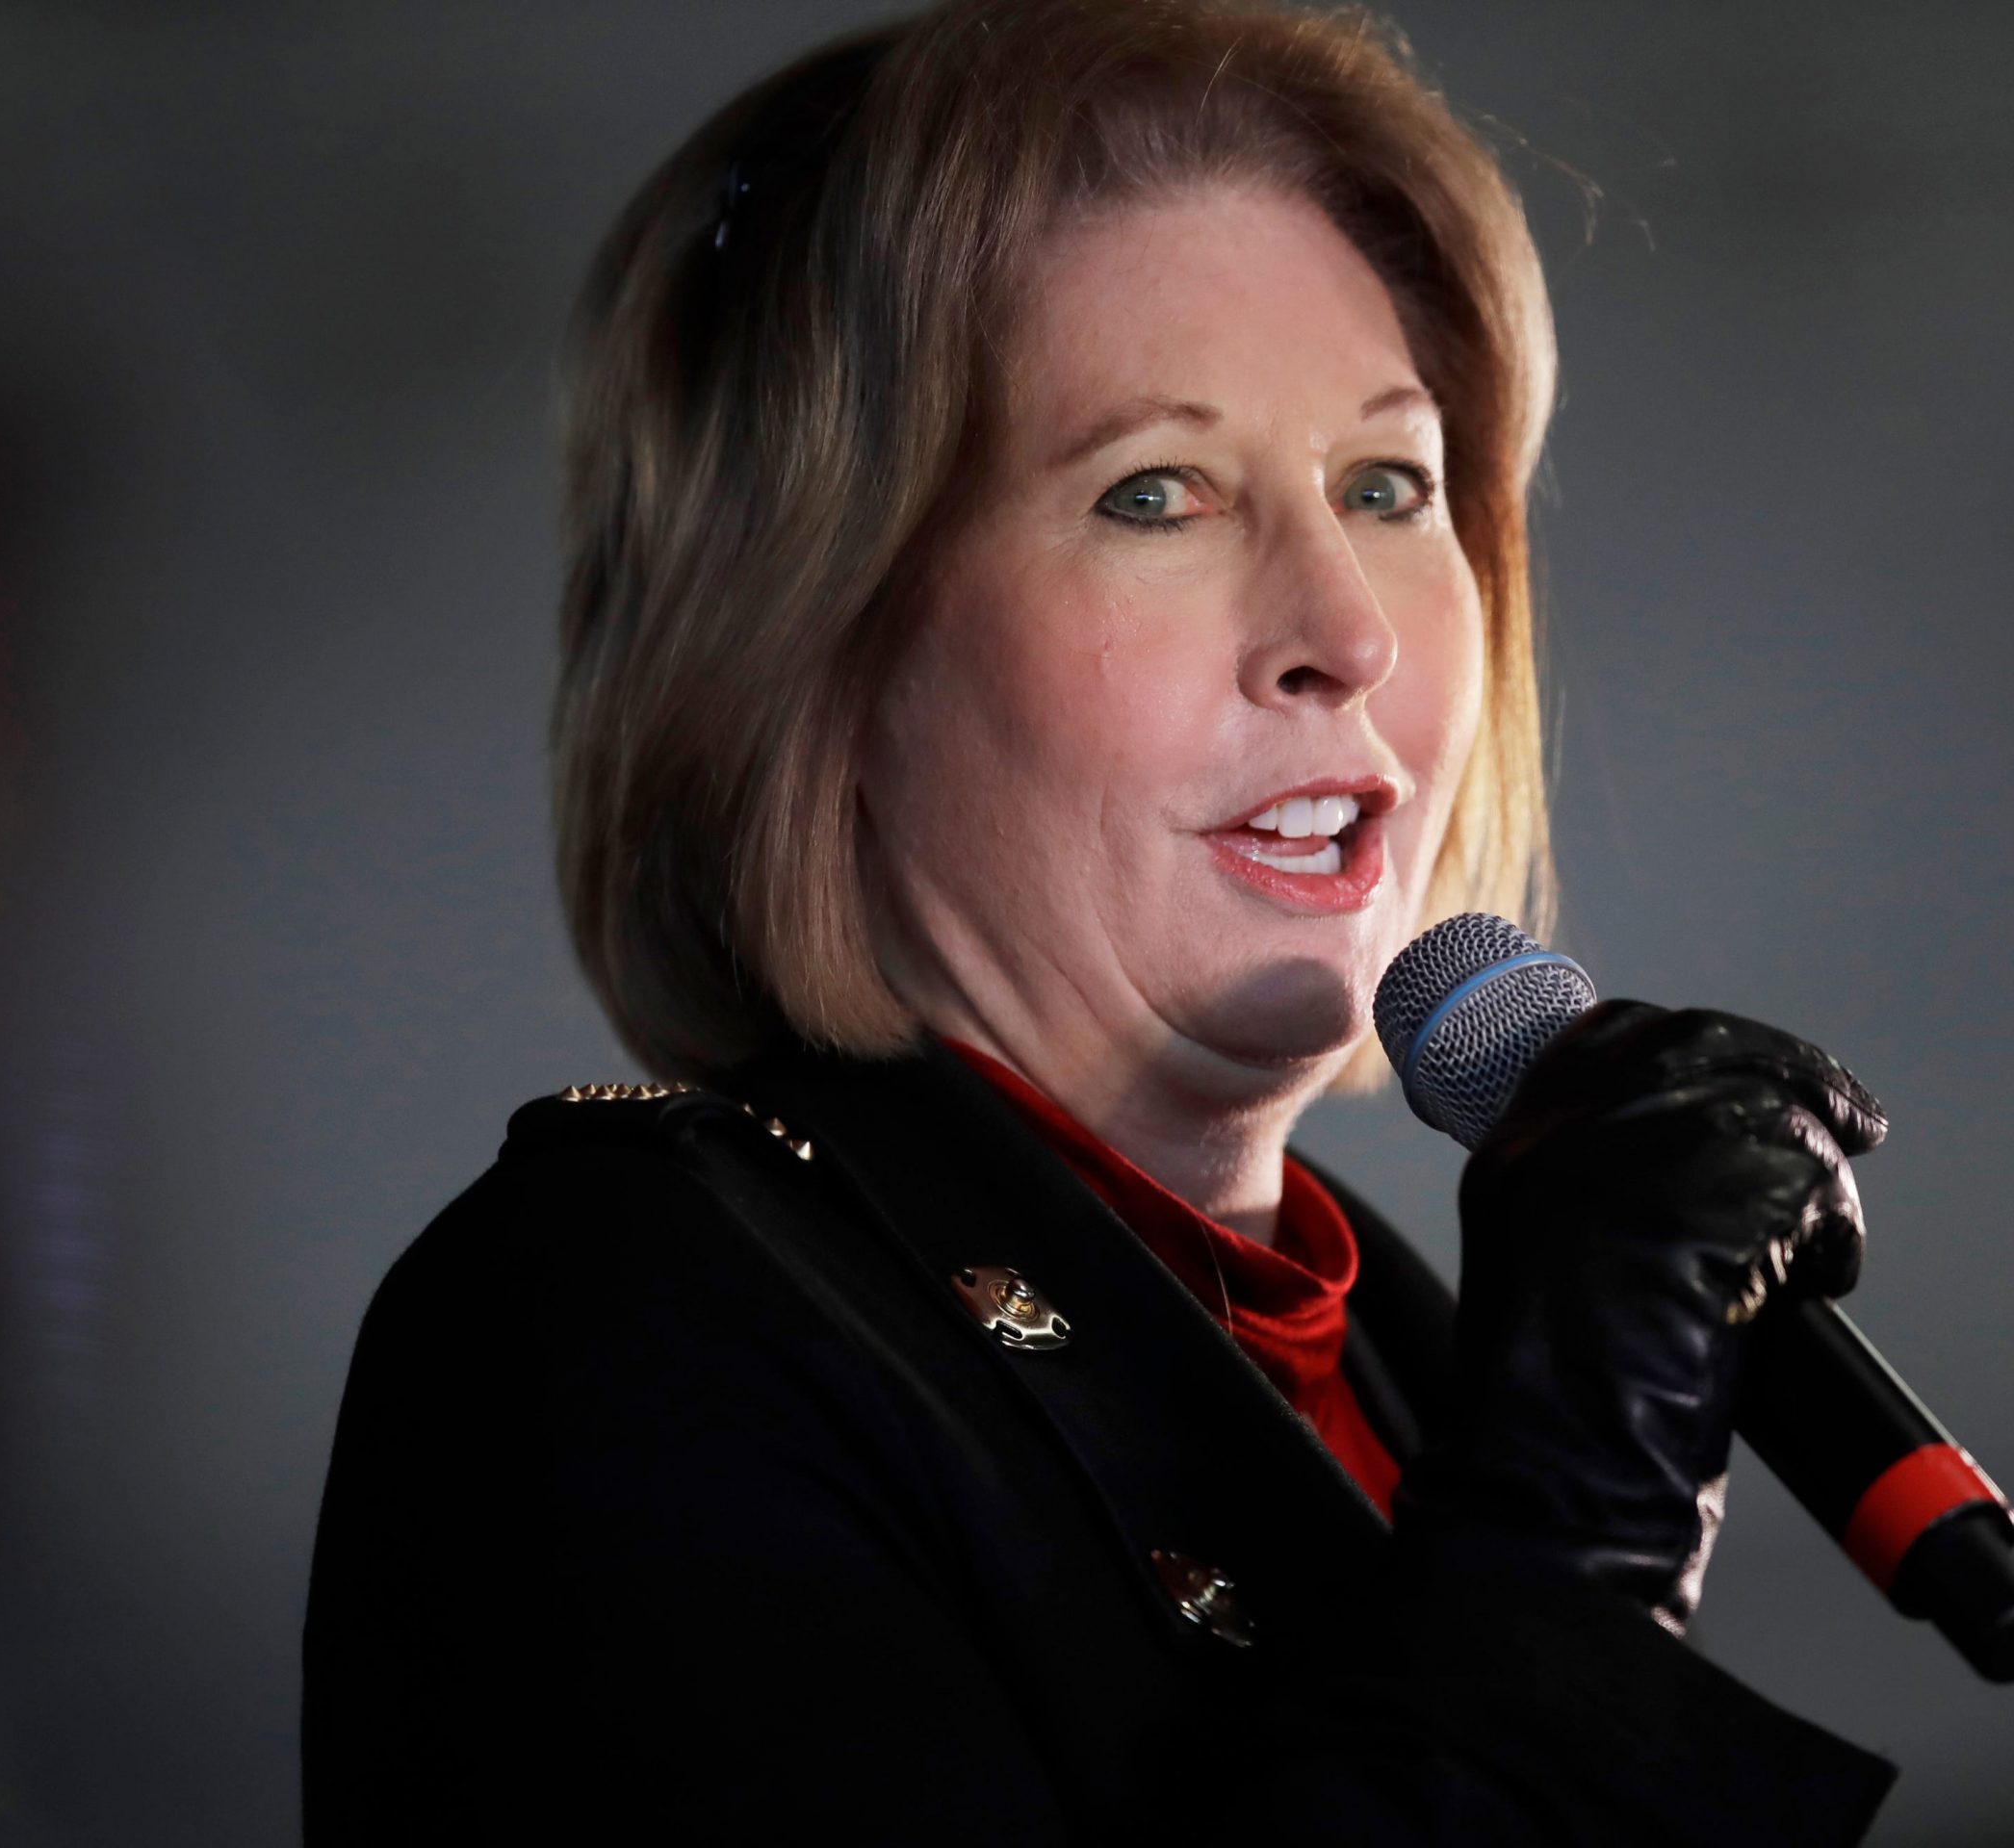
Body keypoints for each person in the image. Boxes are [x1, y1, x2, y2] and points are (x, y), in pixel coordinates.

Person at [300, 0, 1900, 1839]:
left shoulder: (1396, 1345)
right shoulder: (608, 1315)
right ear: (813, 656)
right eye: (1158, 493)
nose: (1348, 628)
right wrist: (1565, 1538)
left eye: (1390, 485)